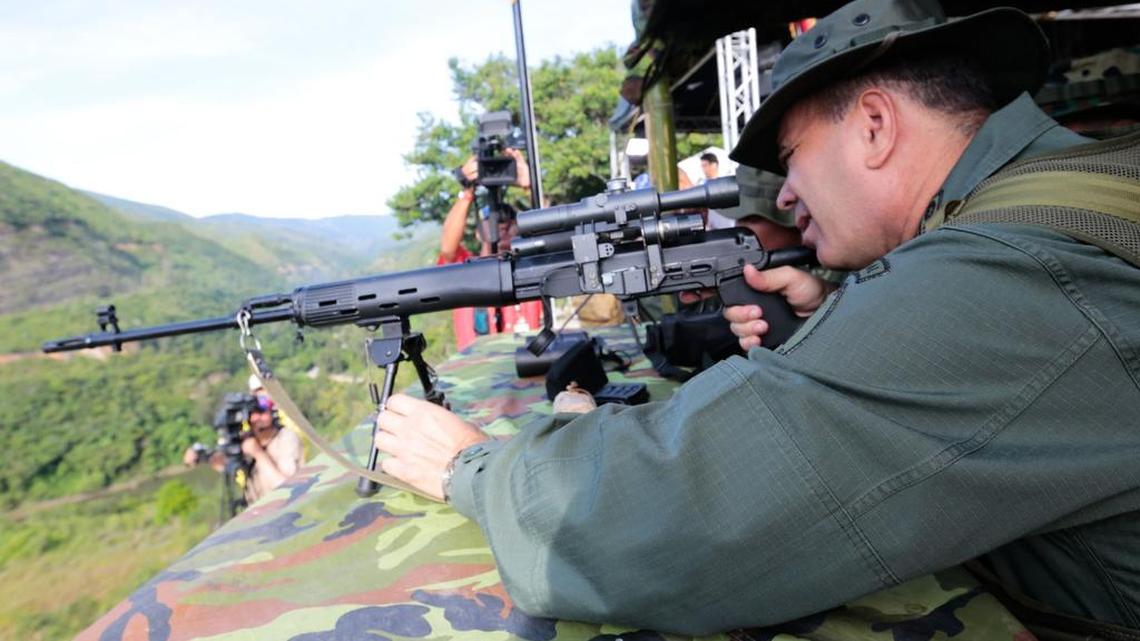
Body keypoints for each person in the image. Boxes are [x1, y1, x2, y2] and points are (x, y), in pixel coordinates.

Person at [372, 0, 1140, 635]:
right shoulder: (1073, 194)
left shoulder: (1005, 273)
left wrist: (471, 466)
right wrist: (841, 326)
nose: (782, 195)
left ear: (874, 124)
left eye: (792, 154)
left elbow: (666, 527)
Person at [439, 148, 543, 350]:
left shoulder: (531, 267)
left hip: (527, 366)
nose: (502, 224)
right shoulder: (464, 270)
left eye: (509, 219)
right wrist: (468, 191)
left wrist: (531, 187)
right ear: (477, 231)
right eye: (493, 219)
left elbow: (552, 232)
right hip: (478, 371)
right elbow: (447, 248)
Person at [183, 387, 303, 505]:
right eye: (251, 413)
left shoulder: (285, 438)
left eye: (261, 412)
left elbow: (289, 490)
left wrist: (258, 454)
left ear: (272, 413)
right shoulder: (245, 441)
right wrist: (202, 456)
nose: (257, 418)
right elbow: (224, 463)